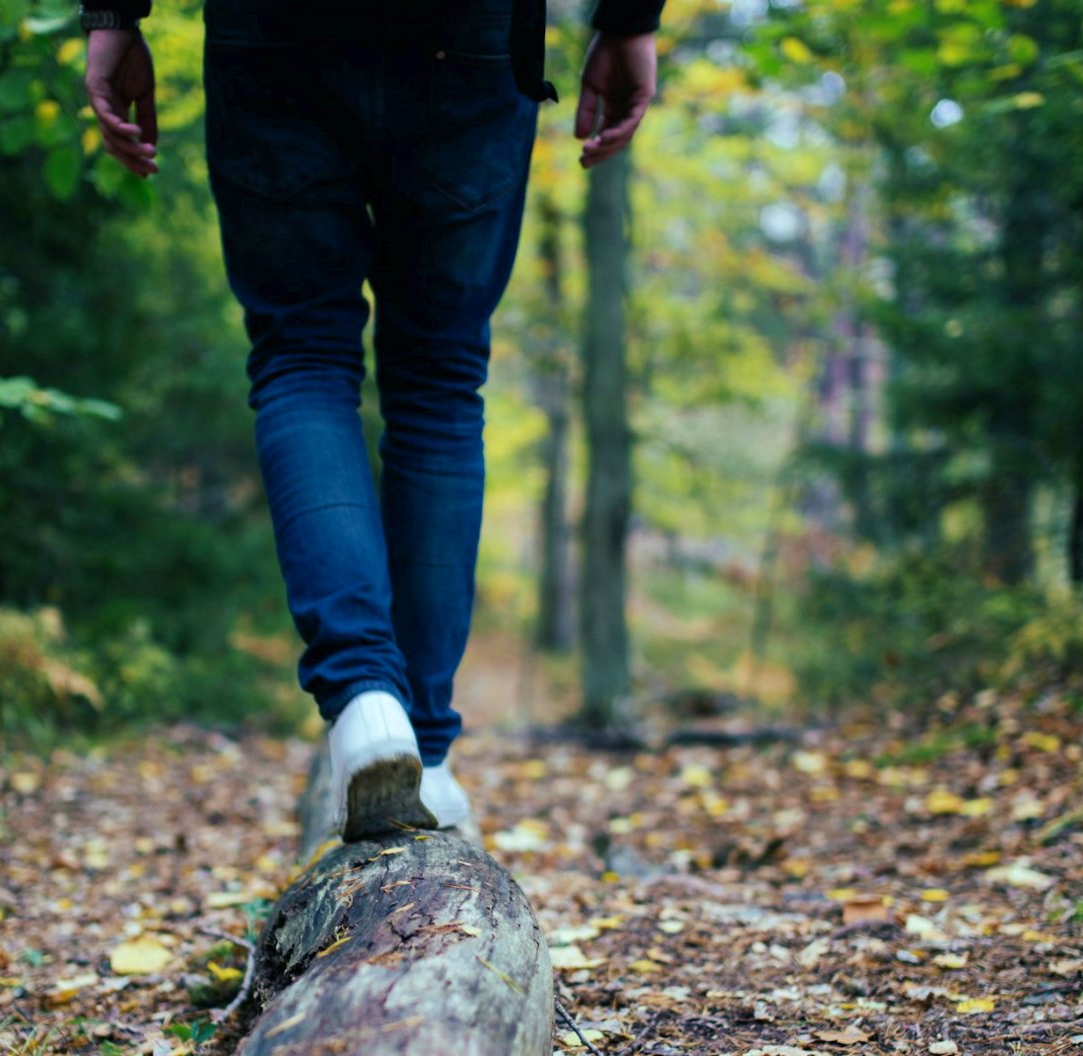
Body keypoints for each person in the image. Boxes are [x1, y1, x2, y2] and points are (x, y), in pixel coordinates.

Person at [80, 0, 662, 841]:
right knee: (438, 382)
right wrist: (630, 19)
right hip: (468, 36)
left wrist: (110, 15)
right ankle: (422, 749)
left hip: (273, 33)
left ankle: (365, 705)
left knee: (302, 357)